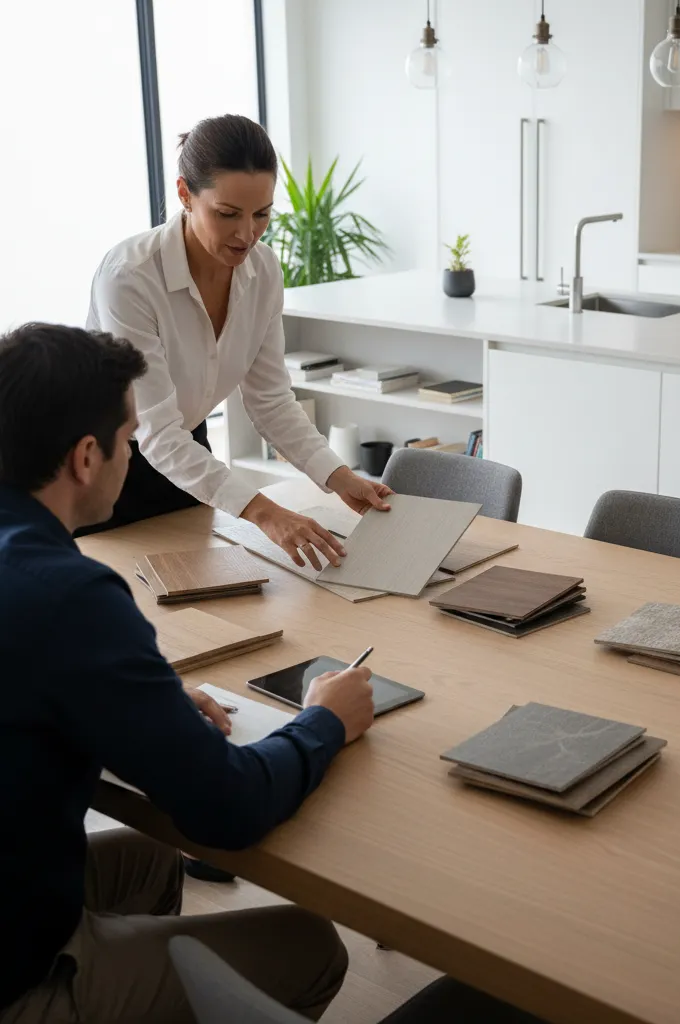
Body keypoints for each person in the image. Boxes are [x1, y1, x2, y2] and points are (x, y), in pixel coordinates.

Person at [0, 323, 376, 1023]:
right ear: (87, 456)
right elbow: (228, 811)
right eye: (131, 436)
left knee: (149, 861)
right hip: (12, 982)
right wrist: (324, 721)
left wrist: (146, 700)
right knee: (307, 944)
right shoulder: (69, 594)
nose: (136, 451)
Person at [84, 112, 392, 572]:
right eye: (227, 214)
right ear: (185, 193)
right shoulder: (129, 278)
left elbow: (269, 399)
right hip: (103, 467)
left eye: (262, 213)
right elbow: (156, 430)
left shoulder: (263, 270)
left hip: (184, 459)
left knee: (201, 613)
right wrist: (264, 513)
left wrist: (339, 476)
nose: (247, 234)